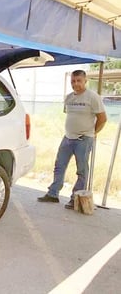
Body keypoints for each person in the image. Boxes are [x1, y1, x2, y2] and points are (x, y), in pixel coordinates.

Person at [38, 69, 107, 209]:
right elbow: (71, 116)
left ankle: (75, 199)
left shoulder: (93, 97)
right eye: (73, 81)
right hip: (68, 137)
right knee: (59, 166)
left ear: (85, 81)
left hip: (84, 139)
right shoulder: (69, 97)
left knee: (81, 170)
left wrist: (92, 134)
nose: (76, 84)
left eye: (79, 81)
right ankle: (53, 194)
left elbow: (102, 118)